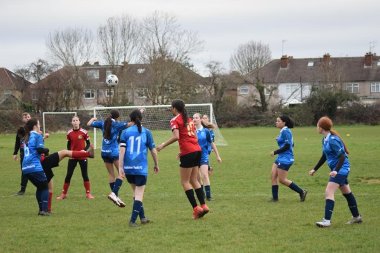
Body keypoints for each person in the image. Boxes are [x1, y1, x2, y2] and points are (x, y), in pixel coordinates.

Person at [157, 99, 209, 219]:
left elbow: (176, 136)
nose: (171, 109)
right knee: (194, 180)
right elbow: (194, 136)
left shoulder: (175, 120)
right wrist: (184, 151)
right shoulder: (189, 119)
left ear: (175, 108)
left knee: (185, 181)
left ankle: (196, 209)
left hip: (189, 151)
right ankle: (204, 206)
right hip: (197, 150)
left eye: (171, 107)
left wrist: (162, 145)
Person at [309, 116, 362, 228]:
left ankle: (327, 221)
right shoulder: (325, 139)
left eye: (317, 125)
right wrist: (315, 169)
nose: (316, 127)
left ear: (321, 127)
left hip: (342, 169)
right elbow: (324, 155)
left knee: (329, 192)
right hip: (338, 170)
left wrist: (336, 171)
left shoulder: (333, 140)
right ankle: (357, 217)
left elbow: (342, 157)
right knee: (347, 193)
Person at [118, 109, 159, 227]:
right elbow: (153, 151)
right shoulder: (146, 132)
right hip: (140, 168)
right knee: (139, 194)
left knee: (135, 193)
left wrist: (121, 167)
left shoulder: (125, 132)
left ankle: (143, 218)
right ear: (141, 119)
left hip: (129, 168)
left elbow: (121, 151)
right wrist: (156, 164)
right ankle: (132, 221)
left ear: (131, 119)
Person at [87, 110, 128, 207]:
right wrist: (140, 113)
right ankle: (114, 193)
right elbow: (130, 124)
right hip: (113, 152)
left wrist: (93, 118)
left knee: (111, 174)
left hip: (104, 152)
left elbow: (88, 124)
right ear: (117, 117)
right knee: (122, 173)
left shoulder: (102, 123)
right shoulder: (117, 125)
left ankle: (116, 196)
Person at [270, 115, 307, 202]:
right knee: (273, 176)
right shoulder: (283, 131)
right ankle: (275, 199)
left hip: (286, 159)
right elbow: (291, 144)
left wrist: (275, 152)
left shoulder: (286, 131)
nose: (276, 122)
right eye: (276, 121)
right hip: (281, 157)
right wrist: (278, 139)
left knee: (282, 180)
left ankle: (301, 192)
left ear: (284, 123)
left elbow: (287, 146)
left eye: (278, 121)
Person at [57, 116, 94, 200]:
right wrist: (70, 153)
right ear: (72, 122)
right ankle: (64, 194)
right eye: (73, 120)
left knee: (85, 175)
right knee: (68, 174)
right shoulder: (69, 133)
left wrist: (84, 151)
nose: (75, 122)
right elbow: (68, 145)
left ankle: (88, 194)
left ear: (79, 122)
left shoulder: (84, 132)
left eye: (77, 120)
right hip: (73, 156)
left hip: (82, 156)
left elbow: (88, 144)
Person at [193, 113, 222, 201]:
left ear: (200, 119)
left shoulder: (206, 131)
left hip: (204, 155)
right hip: (194, 156)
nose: (194, 119)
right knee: (197, 178)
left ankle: (208, 196)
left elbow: (212, 144)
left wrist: (218, 156)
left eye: (196, 118)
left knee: (205, 175)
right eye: (193, 118)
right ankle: (201, 195)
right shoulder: (191, 131)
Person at [13, 112, 31, 195]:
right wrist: (15, 153)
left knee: (38, 169)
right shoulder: (20, 129)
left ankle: (42, 186)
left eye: (28, 117)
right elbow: (17, 142)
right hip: (23, 153)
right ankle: (22, 189)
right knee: (24, 171)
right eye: (25, 117)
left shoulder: (35, 129)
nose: (27, 118)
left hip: (33, 153)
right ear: (23, 119)